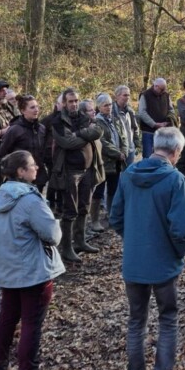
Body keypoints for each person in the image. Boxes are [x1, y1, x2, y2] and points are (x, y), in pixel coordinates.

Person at [109, 127, 185, 370]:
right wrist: (178, 254)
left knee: (136, 321)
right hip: (164, 263)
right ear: (176, 151)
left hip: (134, 262)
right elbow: (181, 228)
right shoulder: (175, 180)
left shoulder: (128, 175)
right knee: (167, 319)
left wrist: (134, 239)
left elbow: (115, 217)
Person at [0, 150, 65, 370]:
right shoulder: (30, 200)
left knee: (7, 316)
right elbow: (52, 234)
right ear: (21, 172)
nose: (37, 168)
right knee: (31, 322)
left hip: (7, 267)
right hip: (33, 270)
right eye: (32, 165)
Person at [51, 89, 102, 262]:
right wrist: (86, 135)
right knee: (70, 210)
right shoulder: (58, 121)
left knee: (84, 206)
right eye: (70, 101)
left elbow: (98, 131)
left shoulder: (83, 116)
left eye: (76, 101)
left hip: (87, 169)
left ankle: (80, 241)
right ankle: (67, 247)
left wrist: (79, 133)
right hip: (69, 171)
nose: (74, 104)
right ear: (64, 103)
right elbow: (67, 142)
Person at [0, 95, 50, 192]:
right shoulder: (15, 130)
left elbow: (45, 152)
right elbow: (2, 153)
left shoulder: (41, 129)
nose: (36, 110)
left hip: (38, 177)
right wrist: (13, 172)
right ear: (23, 111)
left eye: (37, 107)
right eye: (32, 107)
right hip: (20, 179)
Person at [95, 93, 129, 230]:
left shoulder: (115, 119)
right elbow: (103, 142)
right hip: (104, 162)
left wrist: (124, 151)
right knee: (99, 191)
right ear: (99, 107)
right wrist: (117, 153)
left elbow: (123, 137)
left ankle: (112, 215)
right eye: (105, 105)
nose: (108, 107)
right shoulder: (97, 122)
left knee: (113, 190)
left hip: (116, 162)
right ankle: (95, 220)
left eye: (109, 104)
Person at [80, 99, 107, 240]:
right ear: (83, 113)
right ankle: (79, 233)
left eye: (93, 109)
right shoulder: (83, 128)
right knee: (82, 203)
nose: (94, 112)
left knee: (89, 200)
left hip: (96, 167)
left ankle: (85, 229)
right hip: (84, 170)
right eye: (90, 110)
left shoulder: (94, 125)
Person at [137, 77, 173, 159]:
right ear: (155, 86)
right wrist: (154, 124)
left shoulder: (166, 95)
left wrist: (168, 121)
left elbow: (171, 110)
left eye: (164, 89)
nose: (163, 91)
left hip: (163, 132)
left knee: (163, 157)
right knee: (148, 157)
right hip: (148, 132)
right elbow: (142, 112)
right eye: (162, 89)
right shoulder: (145, 95)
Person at [113, 85, 141, 166]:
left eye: (128, 95)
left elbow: (135, 128)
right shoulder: (111, 111)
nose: (127, 97)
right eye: (125, 95)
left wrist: (136, 144)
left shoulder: (130, 111)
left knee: (129, 172)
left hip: (130, 148)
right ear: (117, 96)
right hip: (118, 150)